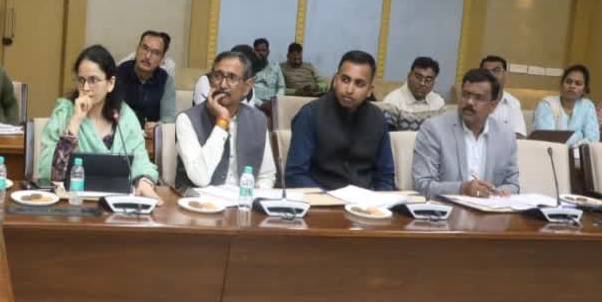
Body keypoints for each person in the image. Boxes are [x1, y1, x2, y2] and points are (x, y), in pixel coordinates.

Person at [37, 45, 161, 201]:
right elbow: (48, 172)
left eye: (93, 80)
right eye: (81, 80)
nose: (86, 87)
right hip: (71, 201)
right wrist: (75, 121)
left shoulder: (124, 116)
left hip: (116, 203)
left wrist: (144, 183)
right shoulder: (65, 113)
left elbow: (140, 162)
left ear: (110, 83)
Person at [284, 50, 395, 191]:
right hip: (321, 199)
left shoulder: (378, 119)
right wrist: (329, 199)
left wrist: (380, 201)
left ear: (369, 90)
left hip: (366, 200)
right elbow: (295, 175)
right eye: (345, 80)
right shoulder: (310, 115)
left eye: (359, 84)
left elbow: (385, 176)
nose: (349, 89)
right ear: (336, 81)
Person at [411, 68, 520, 200]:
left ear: (493, 106)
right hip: (446, 209)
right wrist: (462, 189)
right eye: (466, 95)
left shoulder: (505, 135)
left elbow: (513, 184)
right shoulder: (434, 129)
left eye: (478, 98)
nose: (469, 102)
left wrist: (497, 192)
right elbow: (422, 185)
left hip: (491, 209)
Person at [175, 50, 275, 190]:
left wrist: (251, 197)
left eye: (232, 78)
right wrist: (222, 123)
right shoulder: (187, 120)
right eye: (217, 76)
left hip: (243, 199)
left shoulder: (258, 119)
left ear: (247, 86)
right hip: (199, 200)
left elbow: (266, 175)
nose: (223, 85)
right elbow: (200, 178)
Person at [115, 30, 176, 137]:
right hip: (119, 136)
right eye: (145, 48)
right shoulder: (118, 74)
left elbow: (169, 120)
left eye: (155, 53)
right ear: (137, 49)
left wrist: (158, 127)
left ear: (162, 59)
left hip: (150, 139)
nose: (148, 56)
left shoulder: (166, 80)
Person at [532, 64, 600, 147]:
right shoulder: (547, 104)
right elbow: (547, 139)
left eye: (578, 83)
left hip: (578, 153)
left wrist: (574, 146)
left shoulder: (587, 106)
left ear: (584, 89)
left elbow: (593, 139)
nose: (572, 86)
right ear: (561, 85)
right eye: (568, 82)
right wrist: (579, 136)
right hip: (550, 152)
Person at [381, 56, 446, 131]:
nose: (422, 83)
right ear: (409, 75)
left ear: (434, 82)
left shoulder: (438, 102)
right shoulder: (392, 102)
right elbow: (388, 135)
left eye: (428, 80)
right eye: (418, 77)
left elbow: (442, 133)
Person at [192, 44, 263, 108]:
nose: (223, 85)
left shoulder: (248, 87)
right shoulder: (205, 81)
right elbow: (201, 112)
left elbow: (248, 114)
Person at [479, 55, 528, 137]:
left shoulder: (513, 102)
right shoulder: (471, 99)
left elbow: (519, 135)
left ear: (505, 74)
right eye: (486, 72)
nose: (491, 75)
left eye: (496, 71)